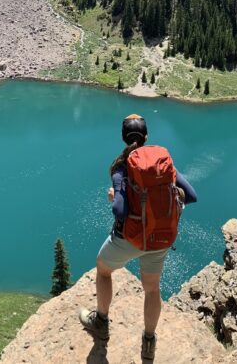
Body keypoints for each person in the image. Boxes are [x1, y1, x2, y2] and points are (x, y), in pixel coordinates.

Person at [79, 114, 197, 360]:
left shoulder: (122, 167)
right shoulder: (163, 163)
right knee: (152, 289)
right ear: (146, 137)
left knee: (102, 268)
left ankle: (101, 321)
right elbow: (191, 195)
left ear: (123, 138)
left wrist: (114, 197)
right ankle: (149, 342)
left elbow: (120, 211)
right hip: (160, 239)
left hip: (129, 240)